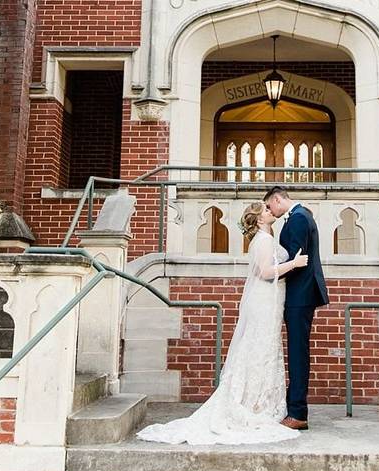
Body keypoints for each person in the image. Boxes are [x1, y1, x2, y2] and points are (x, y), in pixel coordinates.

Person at [136, 201, 309, 445]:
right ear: (259, 219)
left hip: (272, 300)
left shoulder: (269, 235)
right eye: (266, 210)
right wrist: (294, 264)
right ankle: (251, 404)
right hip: (263, 301)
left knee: (266, 348)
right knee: (257, 348)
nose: (271, 211)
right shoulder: (263, 239)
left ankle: (261, 402)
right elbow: (265, 272)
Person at [264, 185, 329, 431]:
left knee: (298, 353)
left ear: (278, 199)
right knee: (297, 351)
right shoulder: (301, 215)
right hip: (297, 293)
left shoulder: (300, 218)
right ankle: (294, 408)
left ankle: (298, 413)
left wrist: (268, 275)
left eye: (270, 206)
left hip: (300, 295)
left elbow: (297, 261)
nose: (270, 210)